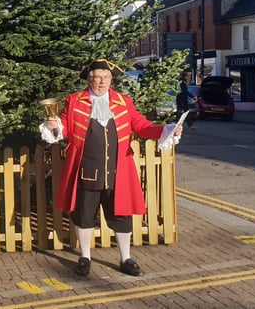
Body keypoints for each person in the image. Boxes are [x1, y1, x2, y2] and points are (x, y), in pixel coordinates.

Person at [40, 59, 182, 278]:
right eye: (96, 77)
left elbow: (142, 126)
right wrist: (55, 126)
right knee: (84, 214)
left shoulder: (123, 102)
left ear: (111, 79)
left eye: (105, 77)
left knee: (121, 215)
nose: (101, 81)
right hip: (86, 168)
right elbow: (65, 129)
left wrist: (168, 129)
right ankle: (85, 257)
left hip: (118, 170)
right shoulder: (74, 101)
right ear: (89, 79)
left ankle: (126, 258)